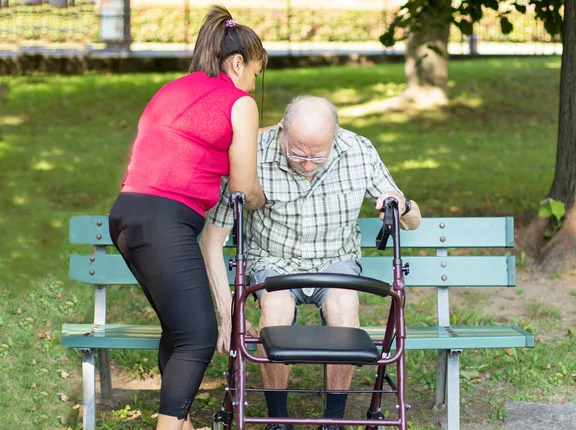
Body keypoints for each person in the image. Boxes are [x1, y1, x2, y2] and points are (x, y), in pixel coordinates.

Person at [200, 96, 422, 430]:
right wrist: (226, 314)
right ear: (282, 131)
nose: (306, 163)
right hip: (273, 261)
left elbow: (412, 220)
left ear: (336, 136)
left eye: (317, 154)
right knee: (275, 310)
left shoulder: (357, 150)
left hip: (336, 260)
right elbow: (211, 238)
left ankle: (332, 420)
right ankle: (278, 419)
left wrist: (399, 205)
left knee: (344, 306)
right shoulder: (253, 154)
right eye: (298, 152)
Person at [107, 5, 267, 430]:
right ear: (237, 63)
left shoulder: (173, 88)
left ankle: (183, 422)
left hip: (126, 216)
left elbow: (188, 139)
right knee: (197, 336)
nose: (254, 82)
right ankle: (170, 426)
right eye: (255, 72)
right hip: (165, 222)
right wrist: (261, 198)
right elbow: (243, 188)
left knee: (179, 329)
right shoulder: (240, 102)